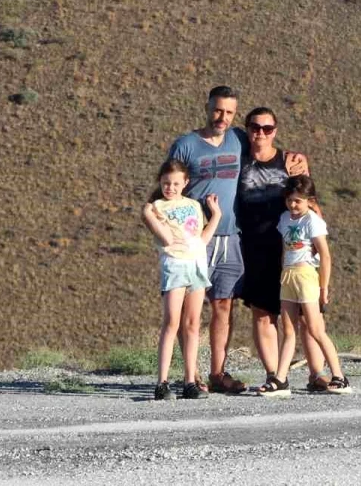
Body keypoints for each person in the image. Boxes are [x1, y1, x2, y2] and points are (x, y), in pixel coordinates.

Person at [236, 107, 330, 394]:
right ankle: (276, 376)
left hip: (293, 252)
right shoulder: (238, 163)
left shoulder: (289, 163)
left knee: (306, 315)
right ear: (247, 129)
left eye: (267, 128)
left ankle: (317, 374)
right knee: (264, 315)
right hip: (255, 249)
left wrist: (316, 238)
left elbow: (309, 202)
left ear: (275, 131)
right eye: (255, 127)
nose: (260, 133)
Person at [167, 85, 248, 394]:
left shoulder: (238, 139)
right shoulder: (186, 145)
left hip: (230, 236)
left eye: (228, 112)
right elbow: (170, 189)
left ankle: (218, 373)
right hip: (195, 240)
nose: (222, 117)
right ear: (207, 107)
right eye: (217, 110)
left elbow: (266, 152)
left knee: (223, 305)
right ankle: (192, 374)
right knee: (191, 310)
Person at [259, 174, 351, 397]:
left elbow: (325, 256)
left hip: (307, 275)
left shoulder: (313, 221)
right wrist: (282, 273)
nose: (293, 205)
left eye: (298, 201)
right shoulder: (285, 219)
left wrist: (323, 287)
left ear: (309, 200)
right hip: (288, 276)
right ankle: (280, 379)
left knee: (315, 329)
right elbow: (284, 249)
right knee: (288, 330)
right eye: (289, 200)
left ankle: (339, 375)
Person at [141, 159, 221, 400]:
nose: (171, 188)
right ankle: (162, 383)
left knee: (192, 324)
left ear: (185, 183)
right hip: (175, 265)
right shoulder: (156, 207)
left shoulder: (194, 205)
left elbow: (201, 239)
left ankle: (189, 381)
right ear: (160, 182)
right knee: (171, 323)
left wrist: (216, 215)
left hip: (196, 265)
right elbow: (166, 239)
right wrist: (148, 216)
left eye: (176, 183)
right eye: (166, 183)